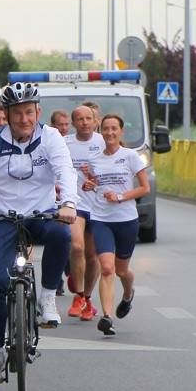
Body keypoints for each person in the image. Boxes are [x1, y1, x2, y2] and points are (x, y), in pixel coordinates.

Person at [0, 82, 78, 383]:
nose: (24, 119)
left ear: (38, 112)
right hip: (1, 217)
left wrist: (67, 202)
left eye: (29, 112)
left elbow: (66, 170)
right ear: (7, 115)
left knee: (60, 234)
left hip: (39, 215)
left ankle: (47, 298)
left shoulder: (51, 138)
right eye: (17, 113)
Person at [83, 114, 149, 336]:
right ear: (101, 132)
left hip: (126, 220)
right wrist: (88, 185)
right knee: (108, 269)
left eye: (114, 129)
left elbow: (144, 188)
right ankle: (107, 317)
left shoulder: (130, 156)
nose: (110, 133)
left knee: (122, 270)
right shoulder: (95, 159)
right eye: (106, 129)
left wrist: (120, 197)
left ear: (121, 132)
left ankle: (128, 294)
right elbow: (95, 184)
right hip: (102, 220)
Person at [64, 106, 104, 322]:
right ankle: (78, 296)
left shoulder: (102, 142)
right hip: (75, 203)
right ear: (73, 123)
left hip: (97, 205)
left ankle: (88, 298)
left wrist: (96, 180)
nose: (85, 122)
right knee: (77, 246)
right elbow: (55, 170)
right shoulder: (66, 144)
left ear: (96, 121)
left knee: (92, 255)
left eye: (89, 118)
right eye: (80, 119)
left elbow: (112, 173)